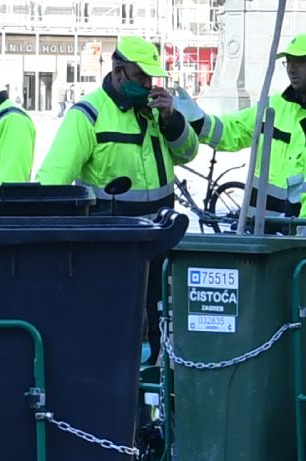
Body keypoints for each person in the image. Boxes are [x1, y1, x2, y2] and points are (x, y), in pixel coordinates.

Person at [37, 35, 199, 362]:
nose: (149, 84)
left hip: (159, 241)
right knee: (112, 324)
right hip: (111, 246)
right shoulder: (88, 114)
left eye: (151, 77)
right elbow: (52, 182)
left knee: (159, 319)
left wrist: (172, 119)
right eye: (141, 76)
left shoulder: (156, 112)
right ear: (120, 73)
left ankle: (154, 387)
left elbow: (188, 152)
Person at [182, 33, 306, 222]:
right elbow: (233, 129)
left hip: (297, 237)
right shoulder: (272, 107)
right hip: (262, 232)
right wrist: (198, 120)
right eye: (288, 62)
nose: (291, 69)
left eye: (299, 62)